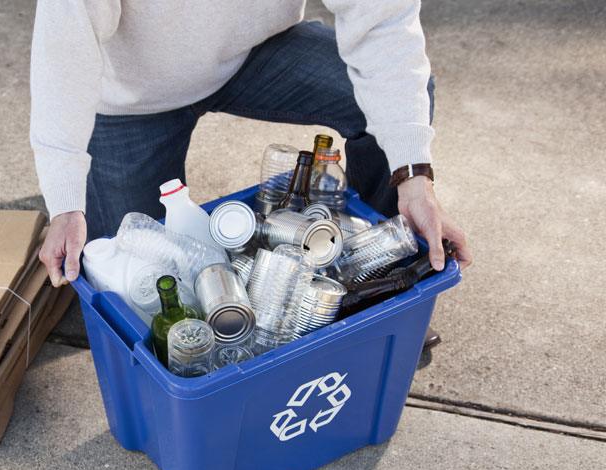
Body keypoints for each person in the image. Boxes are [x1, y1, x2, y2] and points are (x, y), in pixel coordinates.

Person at [30, 0, 473, 290]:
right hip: (134, 95)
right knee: (134, 276)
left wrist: (413, 175)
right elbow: (63, 57)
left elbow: (384, 24)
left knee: (392, 105)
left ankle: (379, 280)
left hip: (254, 52)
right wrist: (66, 202)